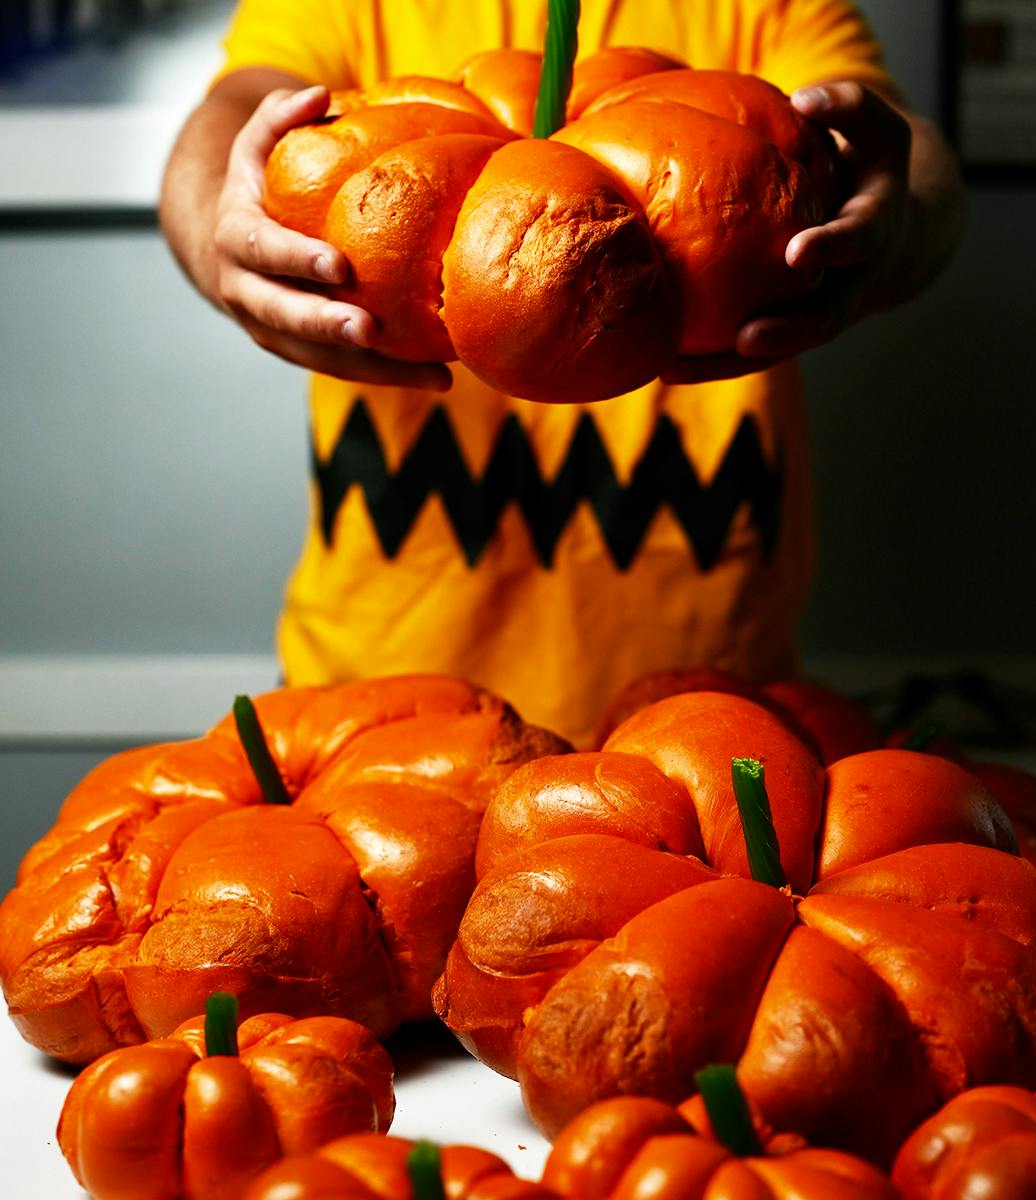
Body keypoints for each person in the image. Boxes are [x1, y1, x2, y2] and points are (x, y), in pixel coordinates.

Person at [159, 0, 966, 747]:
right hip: (374, 695)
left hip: (709, 698)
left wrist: (896, 222)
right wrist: (215, 227)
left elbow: (899, 144)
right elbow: (236, 110)